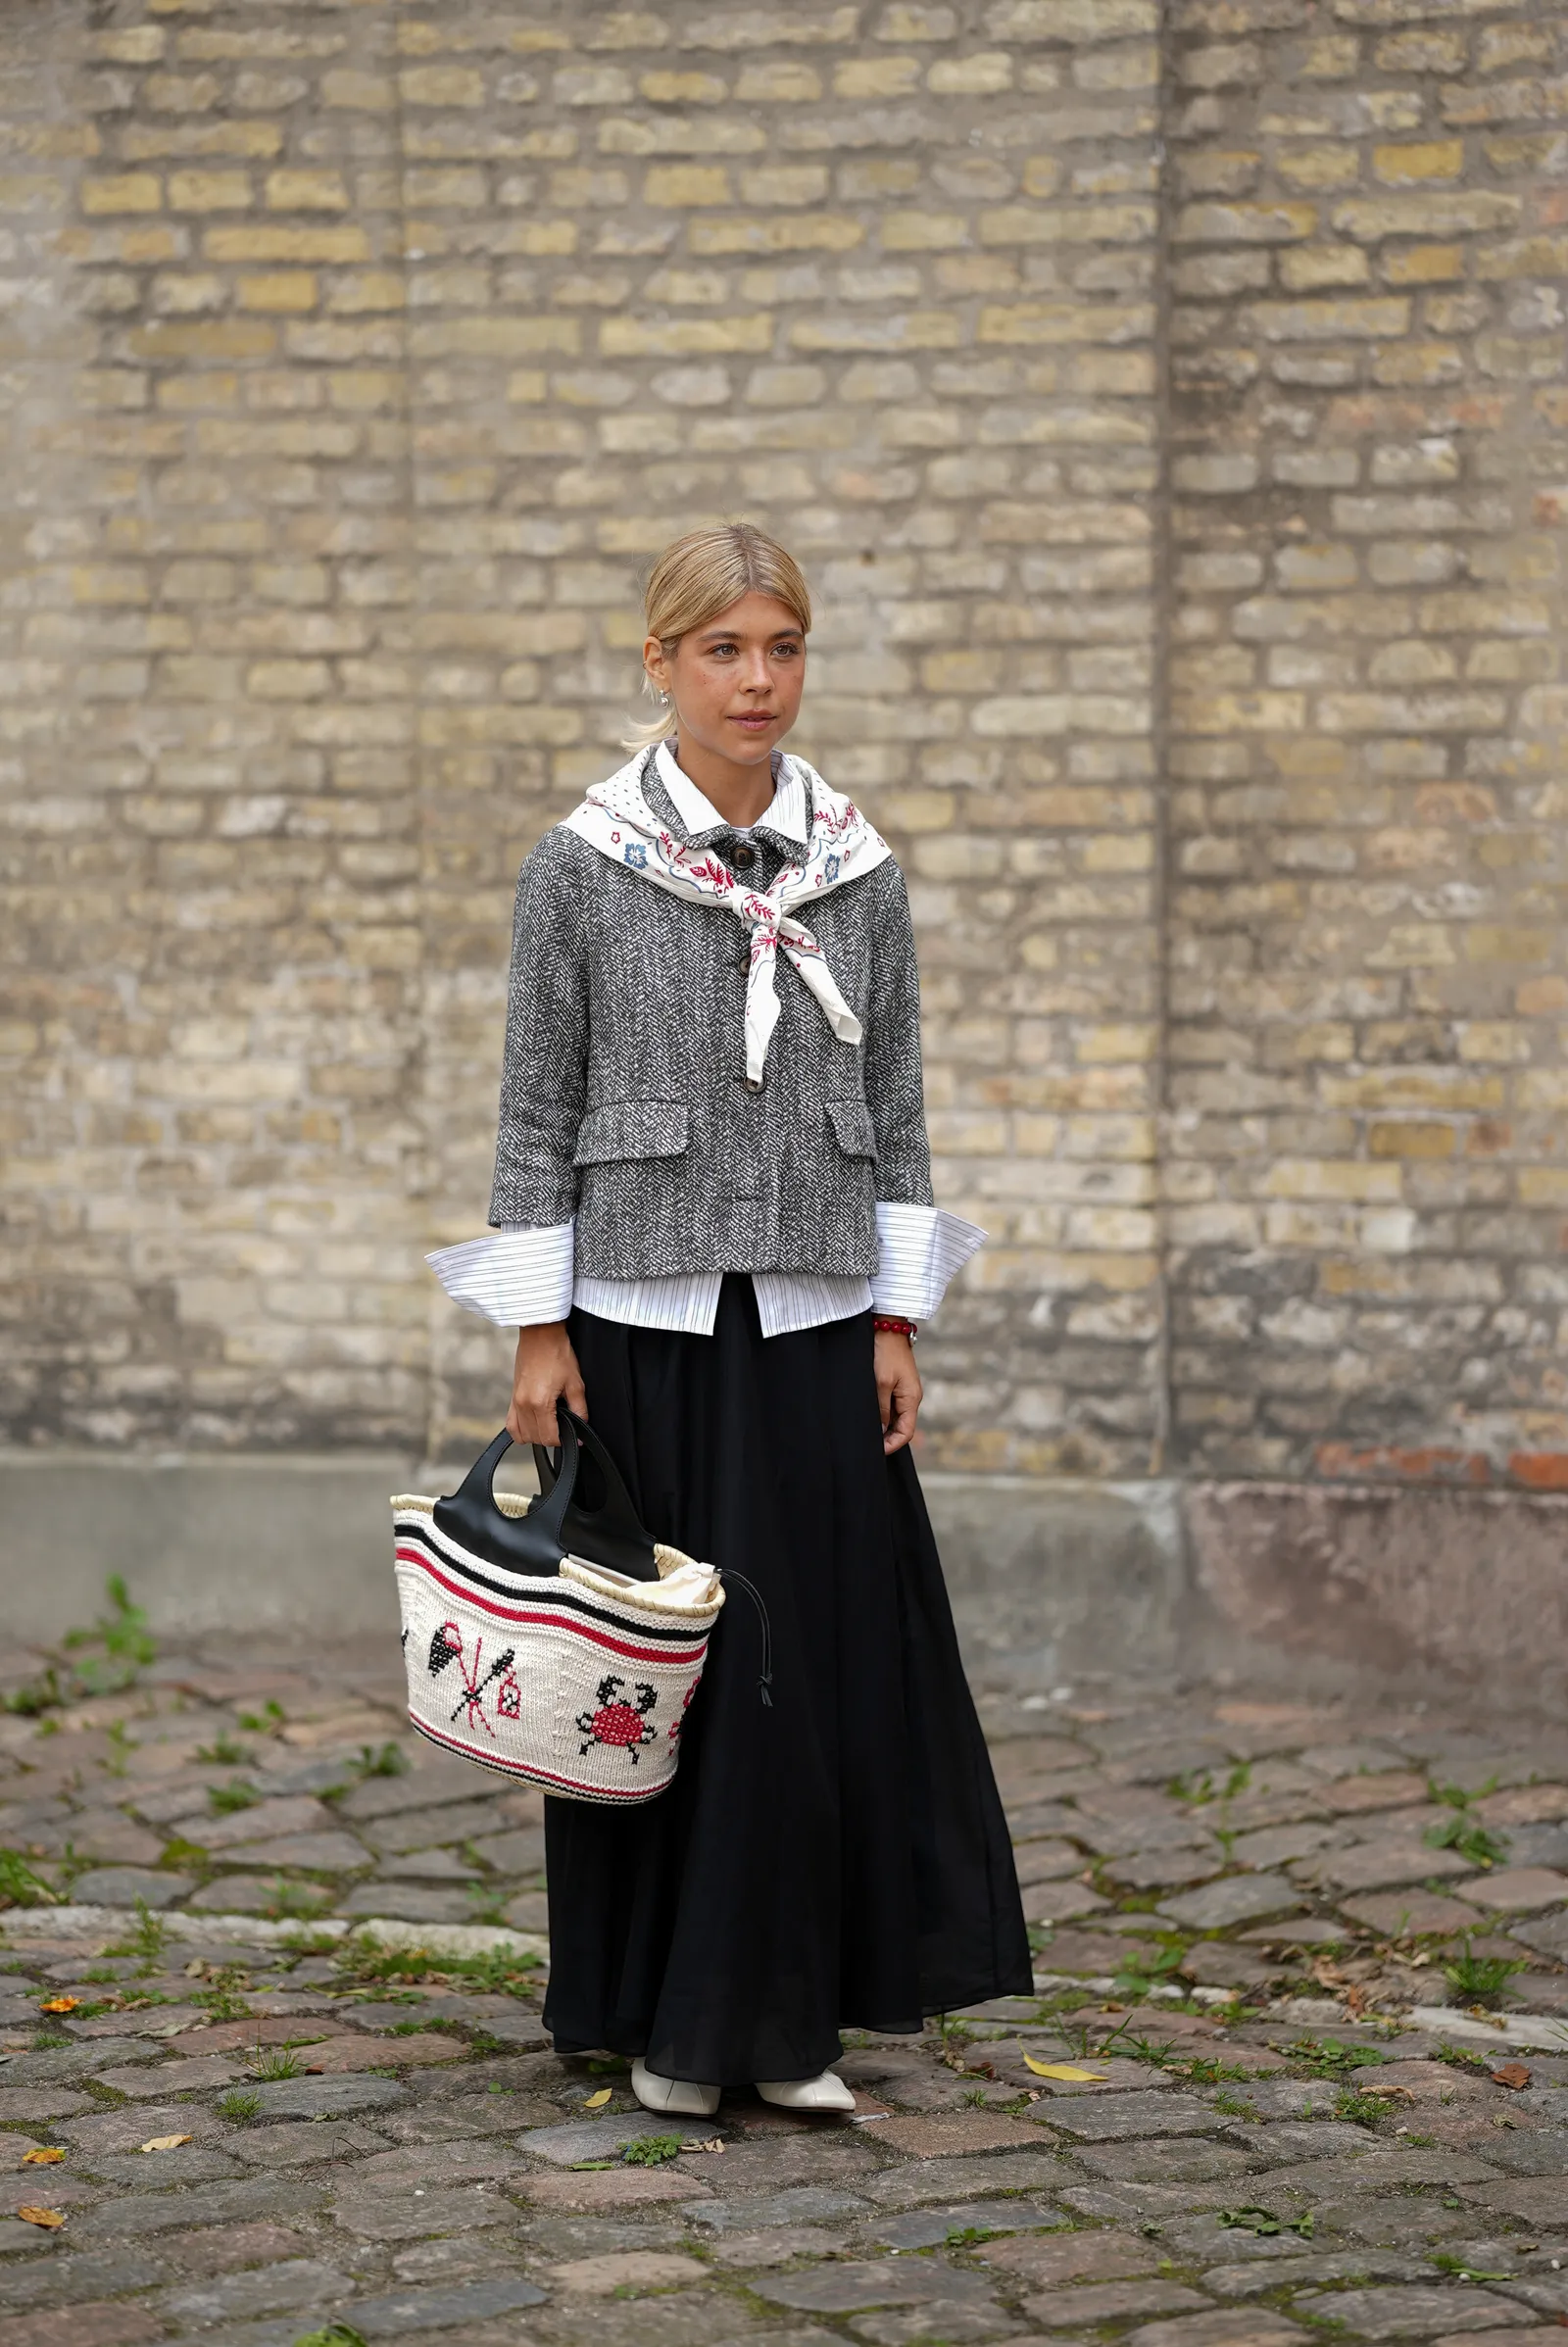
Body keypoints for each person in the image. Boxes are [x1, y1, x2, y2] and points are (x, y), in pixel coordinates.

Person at [429, 522, 1031, 2116]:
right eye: (722, 650)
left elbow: (897, 1101)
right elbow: (532, 1104)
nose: (756, 679)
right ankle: (668, 2021)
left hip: (820, 1314)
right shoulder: (581, 865)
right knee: (659, 1667)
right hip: (640, 1315)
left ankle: (789, 2024)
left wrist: (897, 1318)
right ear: (661, 662)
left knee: (805, 1667)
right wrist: (537, 1327)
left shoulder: (857, 867)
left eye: (781, 648)